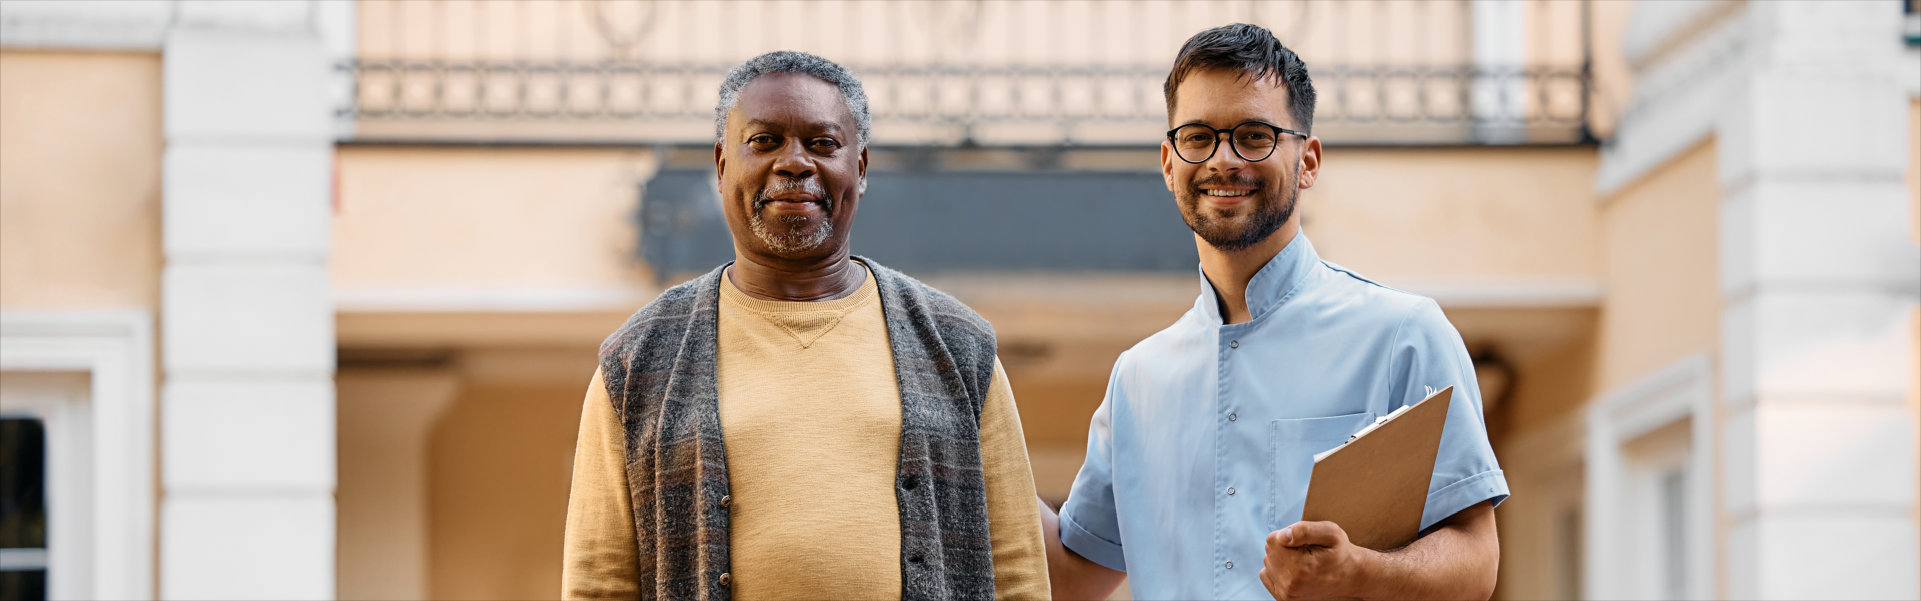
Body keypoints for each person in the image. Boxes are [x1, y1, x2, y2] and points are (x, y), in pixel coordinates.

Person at [1038, 24, 1507, 601]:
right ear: (1168, 162)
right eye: (1198, 137)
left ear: (1308, 161)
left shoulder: (1402, 335)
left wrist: (1359, 573)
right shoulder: (1136, 380)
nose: (1224, 160)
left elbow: (1477, 562)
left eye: (1254, 135)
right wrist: (968, 430)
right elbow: (1071, 575)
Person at [561, 50, 1049, 601]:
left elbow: (1017, 572)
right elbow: (599, 580)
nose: (794, 163)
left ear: (859, 170)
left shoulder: (958, 347)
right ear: (722, 166)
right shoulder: (638, 361)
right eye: (765, 141)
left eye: (822, 144)